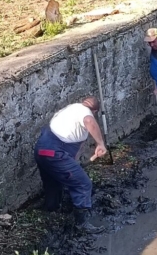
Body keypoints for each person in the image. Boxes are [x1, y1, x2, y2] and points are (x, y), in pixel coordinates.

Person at [34, 97, 107, 233]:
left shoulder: (70, 109)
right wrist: (100, 143)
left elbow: (73, 150)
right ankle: (81, 224)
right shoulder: (86, 113)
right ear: (95, 110)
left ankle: (51, 209)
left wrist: (73, 166)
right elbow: (89, 121)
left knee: (53, 181)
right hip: (56, 152)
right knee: (83, 184)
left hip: (42, 150)